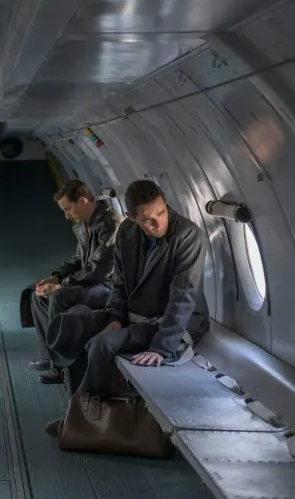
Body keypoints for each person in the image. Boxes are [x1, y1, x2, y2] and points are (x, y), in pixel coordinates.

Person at [44, 179, 210, 433]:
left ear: (165, 204)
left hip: (166, 323)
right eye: (147, 220)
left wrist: (162, 348)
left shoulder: (188, 236)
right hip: (133, 314)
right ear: (132, 218)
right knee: (72, 324)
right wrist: (115, 317)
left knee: (101, 344)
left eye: (161, 213)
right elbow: (119, 284)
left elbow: (182, 298)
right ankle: (80, 403)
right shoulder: (127, 232)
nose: (158, 223)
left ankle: (81, 422)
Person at [26, 179, 122, 384]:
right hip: (90, 282)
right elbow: (78, 260)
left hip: (108, 287)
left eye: (68, 209)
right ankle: (50, 356)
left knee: (59, 296)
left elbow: (100, 269)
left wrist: (61, 285)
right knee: (37, 294)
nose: (66, 215)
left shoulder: (111, 224)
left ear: (83, 200)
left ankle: (62, 367)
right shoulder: (83, 225)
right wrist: (56, 276)